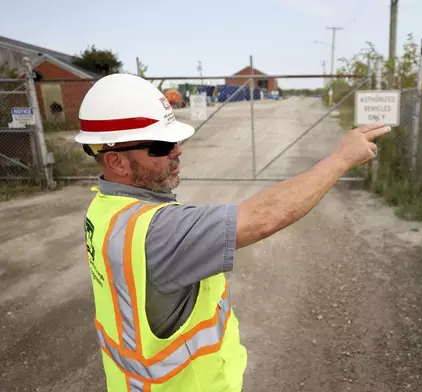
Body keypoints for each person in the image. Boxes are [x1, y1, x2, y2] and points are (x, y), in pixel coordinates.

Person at [76, 73, 391, 392]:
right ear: (116, 161)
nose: (178, 152)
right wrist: (341, 159)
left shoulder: (105, 208)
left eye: (176, 141)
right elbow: (263, 216)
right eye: (161, 146)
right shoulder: (156, 231)